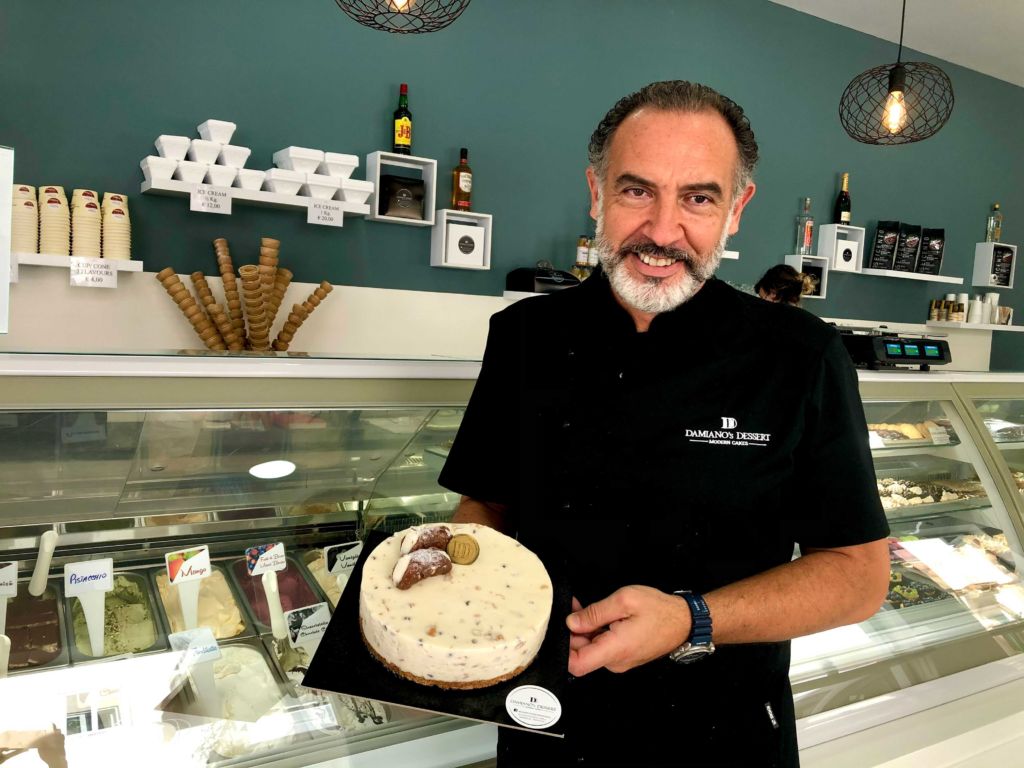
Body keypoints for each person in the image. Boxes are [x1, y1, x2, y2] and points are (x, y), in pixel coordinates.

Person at [439, 80, 889, 768]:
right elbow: (487, 503)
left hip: (725, 736)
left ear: (736, 209)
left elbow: (859, 575)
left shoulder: (800, 355)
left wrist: (690, 618)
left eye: (699, 197)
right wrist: (452, 592)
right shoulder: (523, 336)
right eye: (636, 190)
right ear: (596, 193)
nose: (661, 230)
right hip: (544, 720)